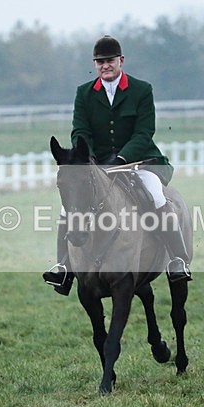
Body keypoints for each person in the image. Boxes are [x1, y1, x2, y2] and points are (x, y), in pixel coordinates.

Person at [43, 35, 192, 295]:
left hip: (139, 162)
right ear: (95, 64)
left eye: (110, 61)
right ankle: (63, 267)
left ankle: (178, 259)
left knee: (157, 195)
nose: (105, 66)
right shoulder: (84, 93)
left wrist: (121, 158)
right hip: (97, 165)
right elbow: (80, 130)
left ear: (121, 61)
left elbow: (144, 132)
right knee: (68, 210)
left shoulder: (141, 89)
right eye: (100, 62)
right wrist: (86, 157)